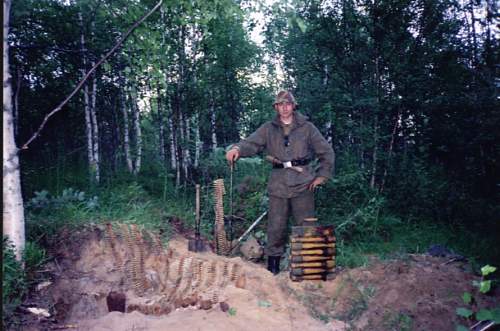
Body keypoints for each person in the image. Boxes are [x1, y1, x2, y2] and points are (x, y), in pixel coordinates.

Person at [225, 90, 335, 275]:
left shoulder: (307, 128)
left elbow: (326, 152)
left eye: (288, 104)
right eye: (280, 105)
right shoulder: (269, 128)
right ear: (276, 107)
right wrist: (237, 149)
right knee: (276, 226)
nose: (284, 108)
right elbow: (252, 143)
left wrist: (321, 176)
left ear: (293, 106)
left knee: (306, 224)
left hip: (303, 182)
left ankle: (310, 269)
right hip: (278, 183)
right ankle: (272, 269)